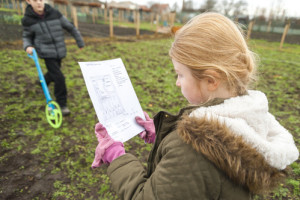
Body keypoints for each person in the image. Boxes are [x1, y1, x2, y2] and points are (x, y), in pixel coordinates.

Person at [91, 12, 299, 199]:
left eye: (180, 74)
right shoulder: (249, 118)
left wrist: (117, 157)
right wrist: (161, 135)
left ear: (211, 80)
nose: (177, 82)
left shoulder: (192, 150)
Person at [22, 0, 84, 116]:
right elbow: (27, 36)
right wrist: (28, 46)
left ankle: (43, 81)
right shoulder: (27, 20)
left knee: (54, 72)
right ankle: (62, 104)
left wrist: (79, 42)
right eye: (35, 0)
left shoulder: (54, 13)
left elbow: (70, 27)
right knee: (59, 77)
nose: (39, 3)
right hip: (45, 52)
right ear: (29, 1)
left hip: (60, 50)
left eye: (41, 0)